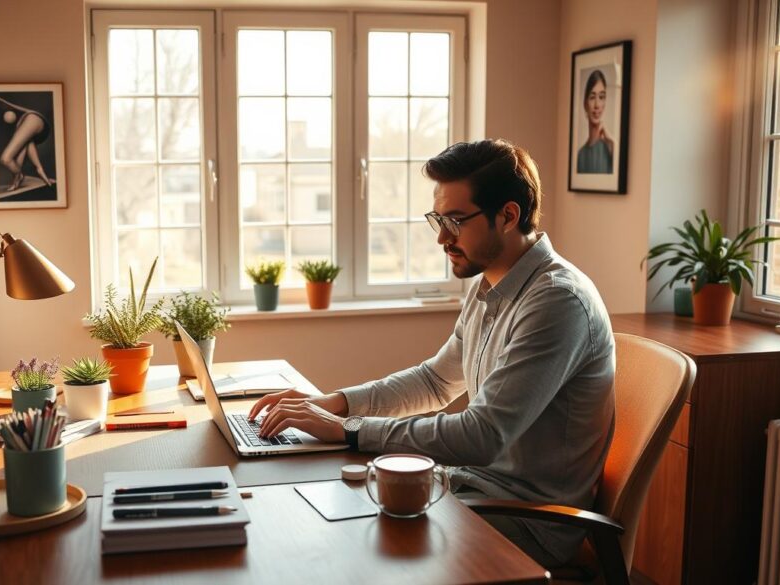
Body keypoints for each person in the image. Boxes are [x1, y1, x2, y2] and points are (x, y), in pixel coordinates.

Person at [248, 139, 615, 568]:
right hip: (471, 491)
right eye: (439, 219)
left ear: (508, 215)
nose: (442, 237)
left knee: (345, 547)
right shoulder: (491, 285)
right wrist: (335, 403)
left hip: (528, 524)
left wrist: (349, 429)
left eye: (456, 221)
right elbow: (436, 381)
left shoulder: (556, 302)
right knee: (316, 520)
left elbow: (480, 436)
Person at [0, 95, 55, 192]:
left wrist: (1, 101)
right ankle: (19, 176)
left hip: (35, 119)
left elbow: (19, 109)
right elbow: (28, 146)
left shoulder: (26, 122)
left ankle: (19, 176)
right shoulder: (25, 129)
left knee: (6, 159)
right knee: (12, 163)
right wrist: (40, 170)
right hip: (38, 121)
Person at [576, 69, 613, 174]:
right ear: (585, 103)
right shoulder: (580, 155)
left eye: (601, 97)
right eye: (592, 97)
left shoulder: (611, 149)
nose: (597, 105)